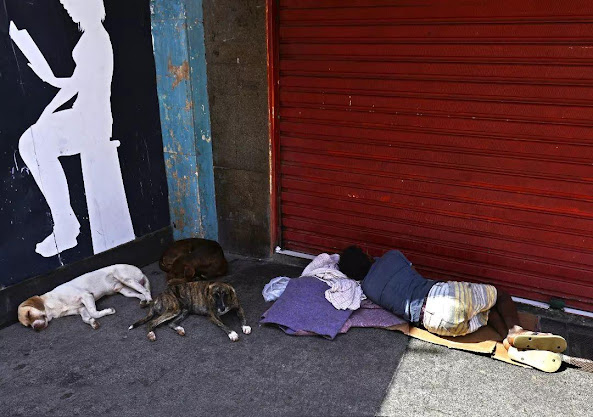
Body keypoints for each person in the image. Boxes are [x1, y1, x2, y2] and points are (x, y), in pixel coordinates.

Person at [338, 246, 567, 371]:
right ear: (367, 254)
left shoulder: (368, 289)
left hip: (434, 324)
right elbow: (408, 270)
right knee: (499, 296)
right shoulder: (391, 256)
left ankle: (512, 347)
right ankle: (516, 330)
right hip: (443, 297)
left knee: (484, 315)